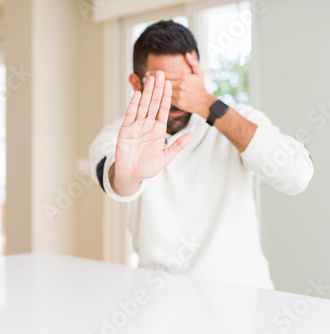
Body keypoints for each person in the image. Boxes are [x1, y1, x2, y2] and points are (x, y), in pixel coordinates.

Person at [88, 20, 314, 289]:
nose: (177, 97)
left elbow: (297, 176)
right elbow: (114, 177)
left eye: (185, 83)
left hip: (241, 297)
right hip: (156, 296)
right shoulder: (120, 136)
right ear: (136, 83)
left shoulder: (238, 119)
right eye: (163, 85)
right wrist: (128, 176)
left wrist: (208, 104)